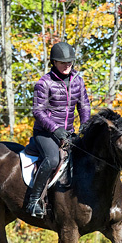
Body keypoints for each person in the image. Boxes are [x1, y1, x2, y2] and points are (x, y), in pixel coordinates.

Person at [27, 41, 91, 218]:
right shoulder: (44, 83)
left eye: (70, 62)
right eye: (63, 62)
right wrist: (55, 129)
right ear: (54, 62)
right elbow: (38, 111)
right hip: (45, 133)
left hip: (69, 132)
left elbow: (84, 106)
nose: (67, 65)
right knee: (53, 159)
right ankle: (33, 201)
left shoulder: (78, 80)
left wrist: (84, 126)